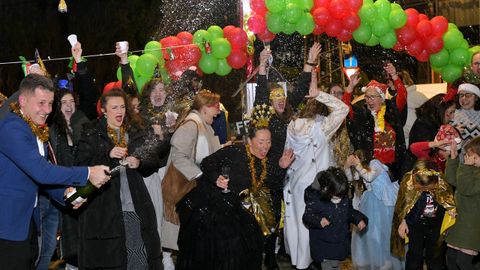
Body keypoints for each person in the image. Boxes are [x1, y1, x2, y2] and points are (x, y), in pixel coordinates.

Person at [0, 74, 110, 269]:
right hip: (7, 225)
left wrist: (66, 195)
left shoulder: (33, 128)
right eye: (41, 103)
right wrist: (88, 173)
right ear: (23, 101)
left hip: (25, 223)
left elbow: (38, 179)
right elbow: (42, 172)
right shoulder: (12, 127)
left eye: (51, 104)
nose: (48, 110)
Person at [175, 105, 294, 270]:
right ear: (250, 141)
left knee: (248, 247)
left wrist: (282, 167)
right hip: (212, 205)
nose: (265, 146)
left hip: (236, 209)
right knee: (218, 252)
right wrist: (217, 178)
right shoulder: (235, 151)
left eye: (268, 142)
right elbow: (207, 163)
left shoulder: (265, 163)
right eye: (261, 142)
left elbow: (272, 185)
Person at [75, 89, 162, 269]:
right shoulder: (91, 133)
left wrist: (139, 162)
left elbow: (153, 158)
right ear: (104, 111)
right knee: (110, 259)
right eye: (114, 107)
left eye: (122, 107)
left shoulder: (134, 130)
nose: (119, 111)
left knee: (139, 256)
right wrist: (107, 154)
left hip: (134, 204)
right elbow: (80, 165)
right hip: (104, 209)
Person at [254, 43, 321, 269]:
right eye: (276, 97)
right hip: (270, 176)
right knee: (270, 218)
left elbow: (301, 88)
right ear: (270, 102)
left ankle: (291, 252)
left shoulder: (288, 116)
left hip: (291, 175)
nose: (281, 100)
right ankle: (269, 257)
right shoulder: (266, 118)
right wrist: (262, 65)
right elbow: (261, 91)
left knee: (293, 215)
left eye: (282, 97)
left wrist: (310, 63)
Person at [283, 78, 349, 270]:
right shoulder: (322, 128)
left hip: (296, 185)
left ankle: (302, 263)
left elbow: (286, 156)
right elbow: (342, 109)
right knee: (320, 226)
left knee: (301, 227)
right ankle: (320, 262)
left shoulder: (292, 127)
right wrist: (320, 94)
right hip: (318, 186)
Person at [160, 89, 223, 270]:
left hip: (195, 189)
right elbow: (179, 156)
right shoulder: (191, 126)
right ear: (204, 108)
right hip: (187, 187)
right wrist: (200, 176)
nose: (218, 112)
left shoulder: (202, 125)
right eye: (215, 107)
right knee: (188, 240)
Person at [343, 64, 409, 182]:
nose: (369, 101)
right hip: (369, 168)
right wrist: (350, 87)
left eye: (372, 97)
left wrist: (394, 76)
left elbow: (402, 95)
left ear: (381, 98)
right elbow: (344, 107)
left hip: (394, 168)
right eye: (367, 97)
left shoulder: (391, 110)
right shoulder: (362, 114)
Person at [392, 160, 456, 270]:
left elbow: (448, 200)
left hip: (435, 225)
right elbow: (402, 206)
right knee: (414, 255)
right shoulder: (408, 184)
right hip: (415, 224)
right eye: (421, 188)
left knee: (434, 255)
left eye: (429, 188)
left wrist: (450, 209)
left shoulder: (442, 184)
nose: (425, 190)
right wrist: (403, 222)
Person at [303, 167, 367, 270]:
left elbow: (349, 212)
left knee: (337, 265)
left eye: (342, 195)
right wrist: (318, 220)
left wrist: (358, 219)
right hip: (323, 245)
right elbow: (307, 216)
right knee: (328, 266)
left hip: (340, 243)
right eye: (337, 195)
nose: (340, 198)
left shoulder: (343, 198)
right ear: (326, 190)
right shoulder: (317, 200)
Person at [347, 150, 402, 270]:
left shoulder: (375, 163)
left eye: (355, 158)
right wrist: (347, 166)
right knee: (374, 233)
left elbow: (369, 176)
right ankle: (379, 260)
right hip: (372, 200)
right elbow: (350, 179)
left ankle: (388, 259)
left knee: (386, 231)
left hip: (385, 200)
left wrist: (357, 164)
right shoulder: (360, 167)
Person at [445, 137, 480, 269]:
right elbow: (452, 179)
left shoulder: (472, 171)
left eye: (474, 158)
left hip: (472, 227)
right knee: (451, 260)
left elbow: (467, 189)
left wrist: (466, 167)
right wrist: (453, 159)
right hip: (460, 224)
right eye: (467, 157)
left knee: (464, 262)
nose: (469, 160)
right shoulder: (471, 170)